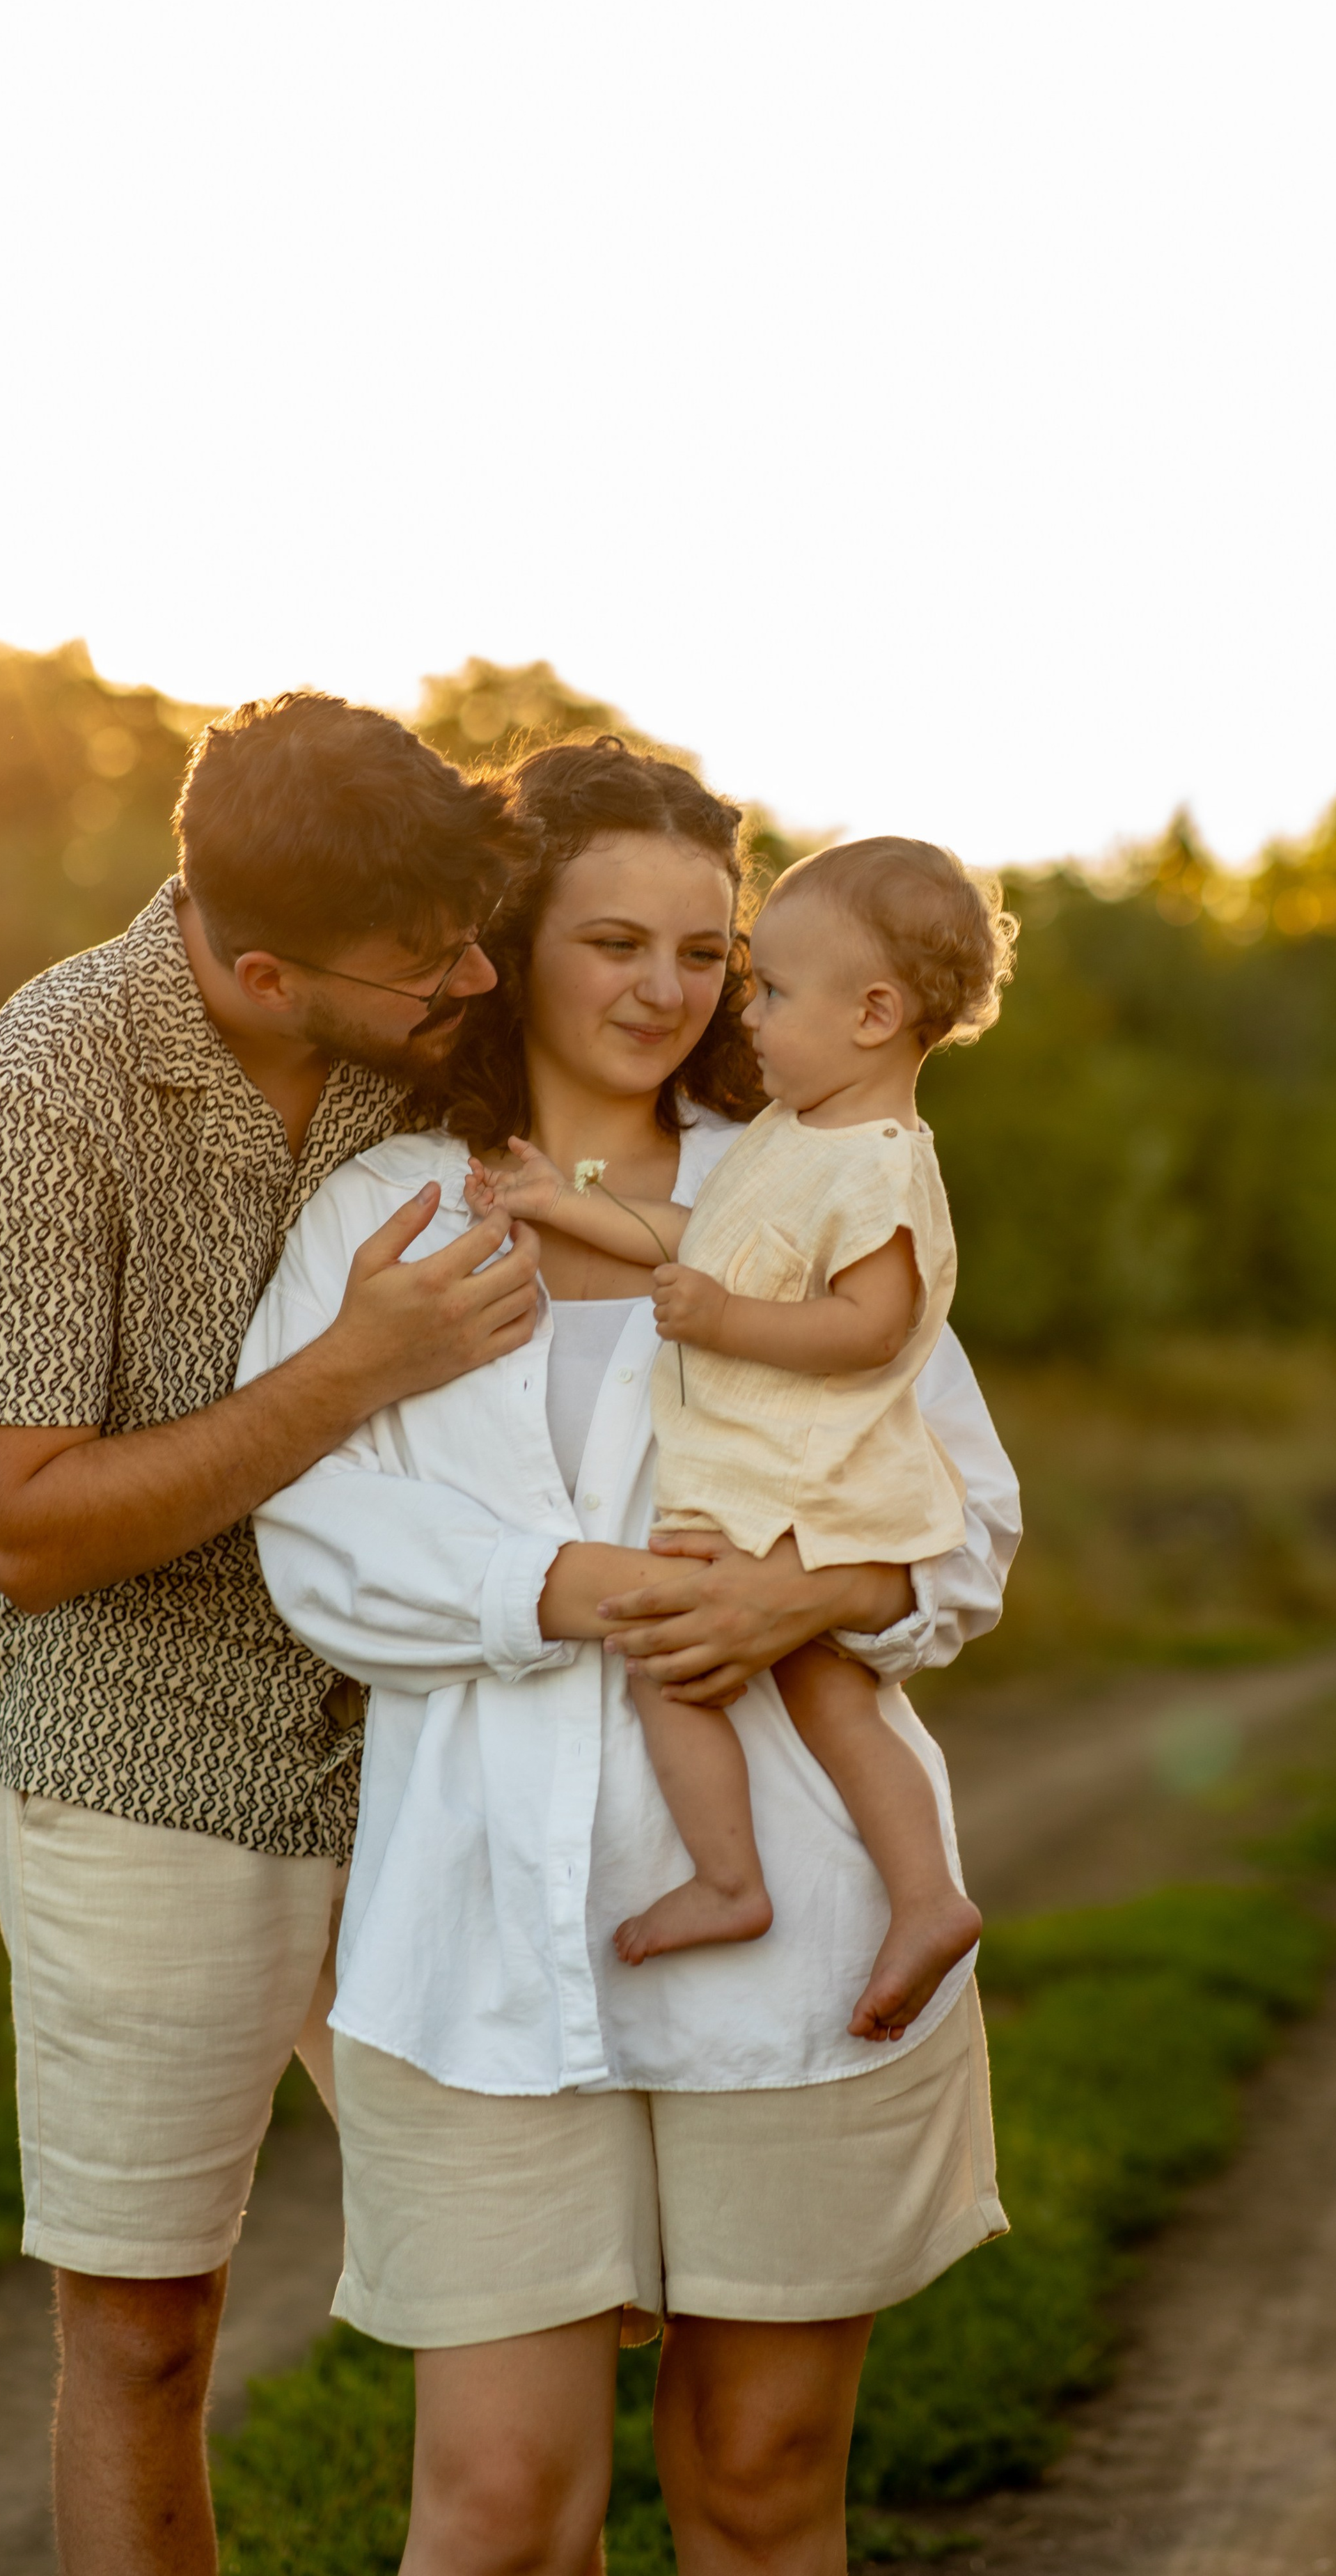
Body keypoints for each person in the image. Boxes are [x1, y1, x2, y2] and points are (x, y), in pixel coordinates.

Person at [241, 737, 1019, 2576]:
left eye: (706, 949)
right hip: (487, 1951)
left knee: (759, 2491)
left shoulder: (819, 1179)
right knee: (502, 2515)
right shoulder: (391, 1212)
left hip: (808, 1955)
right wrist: (568, 1587)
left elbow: (967, 1526)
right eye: (615, 942)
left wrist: (801, 1599)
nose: (667, 993)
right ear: (515, 942)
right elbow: (316, 1539)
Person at [0, 690, 546, 2576]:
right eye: (423, 961)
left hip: (448, 1746)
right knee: (142, 2326)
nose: (470, 976)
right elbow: (27, 1530)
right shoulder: (55, 1072)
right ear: (265, 971)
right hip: (139, 1760)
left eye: (471, 933)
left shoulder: (450, 1009)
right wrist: (355, 1372)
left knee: (541, 2296)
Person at [464, 834, 1016, 2040]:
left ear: (874, 1014)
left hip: (813, 1482)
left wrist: (723, 1319)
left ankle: (837, 1890)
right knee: (784, 1682)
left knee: (731, 1666)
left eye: (768, 988)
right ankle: (822, 1887)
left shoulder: (880, 1167)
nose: (744, 1016)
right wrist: (569, 1205)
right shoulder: (787, 1140)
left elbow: (874, 1326)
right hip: (771, 1478)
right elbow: (697, 1233)